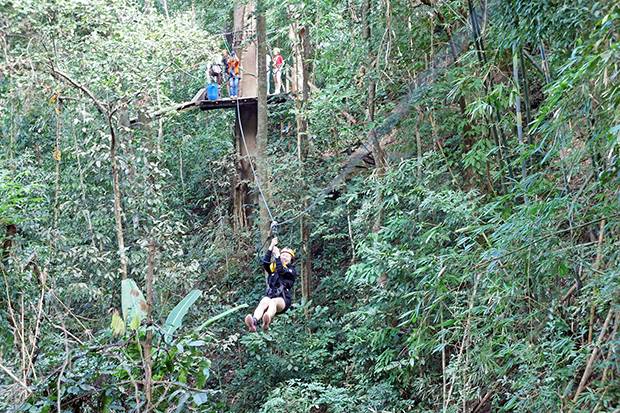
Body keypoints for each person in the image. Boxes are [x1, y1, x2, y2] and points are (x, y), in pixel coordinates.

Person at [244, 237, 297, 332]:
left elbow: (281, 271)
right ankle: (254, 322)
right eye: (283, 255)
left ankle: (266, 320)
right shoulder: (274, 268)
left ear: (291, 260)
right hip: (271, 296)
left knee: (273, 302)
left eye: (287, 256)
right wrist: (271, 246)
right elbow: (265, 263)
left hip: (283, 300)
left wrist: (277, 257)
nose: (284, 257)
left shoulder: (291, 271)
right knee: (264, 300)